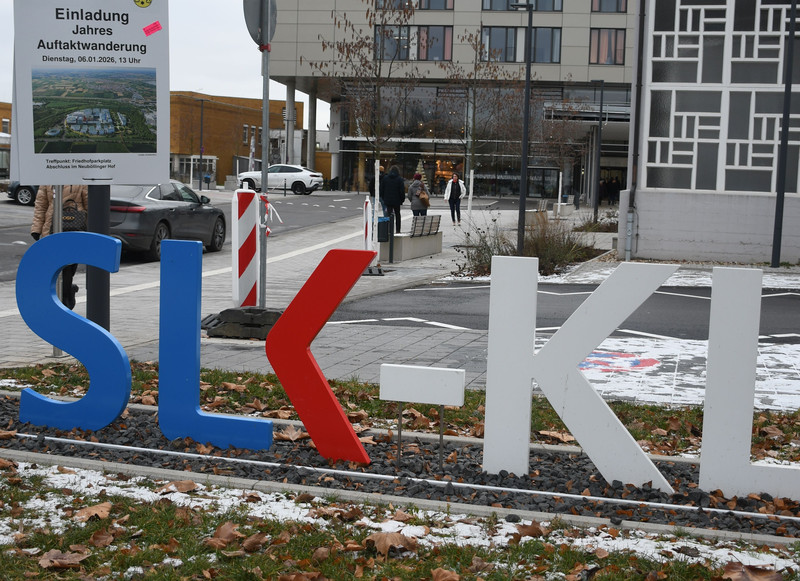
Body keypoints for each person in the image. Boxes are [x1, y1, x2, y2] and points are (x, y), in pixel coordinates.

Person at [30, 184, 89, 310]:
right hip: (50, 230)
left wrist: (89, 231)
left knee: (68, 269)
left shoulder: (80, 180)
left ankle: (66, 298)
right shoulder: (47, 181)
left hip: (73, 229)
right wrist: (36, 229)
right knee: (52, 270)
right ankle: (60, 300)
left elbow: (90, 206)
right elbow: (41, 205)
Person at [380, 165, 406, 233]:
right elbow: (402, 191)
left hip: (388, 200)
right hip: (397, 201)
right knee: (397, 215)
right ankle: (398, 230)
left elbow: (381, 190)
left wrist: (384, 198)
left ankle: (389, 230)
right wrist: (402, 200)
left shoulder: (385, 178)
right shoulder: (400, 179)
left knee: (388, 215)